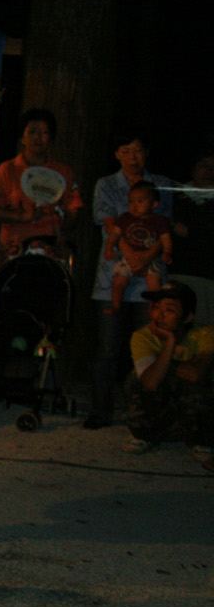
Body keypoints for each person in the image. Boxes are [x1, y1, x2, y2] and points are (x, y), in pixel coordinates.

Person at [85, 129, 175, 429]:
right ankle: (100, 410)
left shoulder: (160, 185)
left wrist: (145, 258)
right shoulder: (107, 185)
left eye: (137, 150)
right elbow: (109, 222)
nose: (132, 157)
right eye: (126, 150)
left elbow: (164, 230)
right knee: (108, 348)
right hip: (114, 276)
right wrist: (131, 255)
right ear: (116, 154)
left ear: (146, 152)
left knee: (148, 347)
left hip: (150, 278)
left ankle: (144, 413)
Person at [121, 283, 213, 464]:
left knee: (196, 382)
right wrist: (170, 343)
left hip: (192, 411)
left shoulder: (206, 334)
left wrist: (162, 361)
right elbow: (149, 383)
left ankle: (200, 439)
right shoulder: (143, 336)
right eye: (155, 308)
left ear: (188, 317)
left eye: (169, 310)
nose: (159, 316)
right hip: (163, 412)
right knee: (136, 377)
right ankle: (146, 434)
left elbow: (196, 373)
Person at [0, 108, 83, 270]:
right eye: (32, 132)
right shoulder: (7, 170)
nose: (38, 137)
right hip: (15, 252)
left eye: (44, 132)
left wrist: (61, 229)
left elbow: (74, 209)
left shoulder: (63, 172)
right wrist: (23, 216)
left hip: (51, 254)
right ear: (22, 137)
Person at [104, 180, 172, 312]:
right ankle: (116, 305)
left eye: (140, 201)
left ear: (154, 204)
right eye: (131, 202)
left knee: (154, 286)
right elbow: (114, 235)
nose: (134, 206)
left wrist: (168, 252)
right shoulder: (125, 218)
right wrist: (109, 247)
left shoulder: (159, 221)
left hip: (151, 259)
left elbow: (166, 239)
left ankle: (154, 310)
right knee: (118, 282)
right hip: (127, 259)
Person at [169, 151, 214, 326]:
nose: (210, 172)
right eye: (204, 166)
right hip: (177, 275)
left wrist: (191, 232)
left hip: (209, 278)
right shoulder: (175, 197)